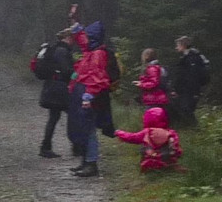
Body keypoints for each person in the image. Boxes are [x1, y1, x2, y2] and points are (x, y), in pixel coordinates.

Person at [67, 24, 113, 178]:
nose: (85, 38)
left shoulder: (98, 54)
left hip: (90, 97)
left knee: (89, 131)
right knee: (83, 129)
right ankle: (86, 161)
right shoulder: (91, 52)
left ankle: (91, 163)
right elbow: (83, 42)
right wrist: (76, 28)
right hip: (83, 94)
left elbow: (97, 78)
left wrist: (88, 96)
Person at [33, 28, 77, 158]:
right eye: (72, 38)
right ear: (67, 38)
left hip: (52, 87)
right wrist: (78, 76)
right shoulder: (62, 51)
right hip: (60, 88)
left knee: (54, 117)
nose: (73, 41)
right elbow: (66, 70)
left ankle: (45, 147)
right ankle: (77, 146)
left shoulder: (55, 49)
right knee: (73, 115)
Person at [115, 106, 183, 172]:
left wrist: (119, 133)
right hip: (168, 158)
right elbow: (176, 146)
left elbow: (131, 137)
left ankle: (150, 163)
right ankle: (170, 164)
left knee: (145, 145)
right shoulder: (171, 132)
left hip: (151, 157)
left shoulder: (146, 132)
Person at [172, 35, 211, 129]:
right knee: (183, 108)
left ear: (183, 45)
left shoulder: (192, 58)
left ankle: (195, 129)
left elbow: (190, 76)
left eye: (178, 45)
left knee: (186, 109)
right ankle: (189, 128)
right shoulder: (188, 57)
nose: (176, 47)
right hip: (187, 89)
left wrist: (192, 90)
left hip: (190, 89)